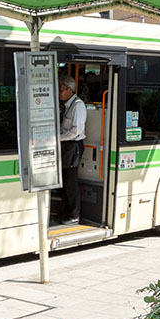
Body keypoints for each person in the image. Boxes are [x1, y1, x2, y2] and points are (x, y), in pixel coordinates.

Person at [57, 73, 86, 225]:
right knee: (63, 181)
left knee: (70, 181)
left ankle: (75, 214)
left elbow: (76, 131)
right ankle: (66, 212)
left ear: (69, 90)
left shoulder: (78, 106)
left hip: (73, 146)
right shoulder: (67, 105)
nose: (60, 93)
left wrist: (57, 138)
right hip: (66, 145)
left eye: (61, 89)